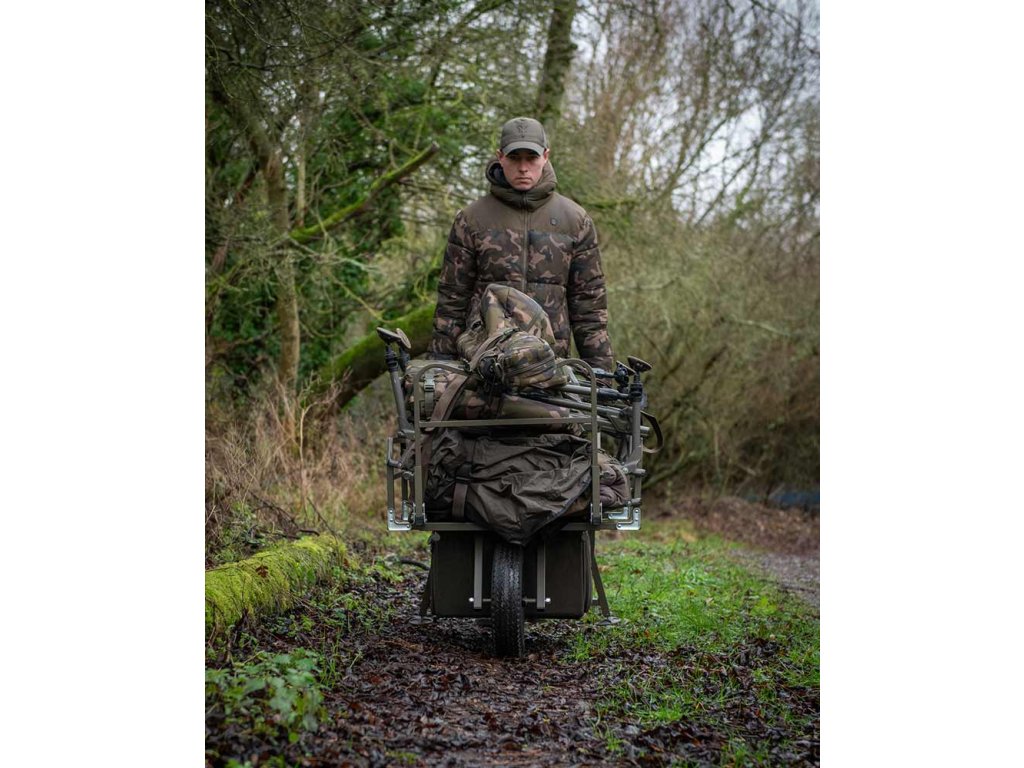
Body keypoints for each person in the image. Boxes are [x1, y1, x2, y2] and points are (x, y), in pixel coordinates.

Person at [428, 116, 614, 372]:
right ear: (500, 157)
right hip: (482, 367)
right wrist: (439, 370)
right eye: (515, 158)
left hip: (551, 368)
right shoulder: (471, 220)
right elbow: (451, 303)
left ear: (546, 156)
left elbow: (589, 309)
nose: (523, 167)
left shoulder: (575, 221)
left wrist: (601, 377)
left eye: (531, 158)